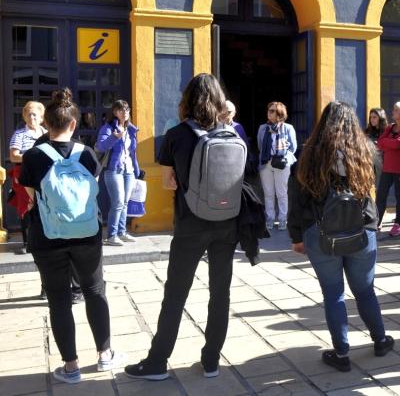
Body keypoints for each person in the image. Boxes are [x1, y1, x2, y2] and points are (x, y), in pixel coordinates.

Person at [125, 73, 241, 381]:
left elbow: (168, 182)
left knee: (176, 293)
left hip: (191, 223)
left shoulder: (176, 134)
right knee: (221, 293)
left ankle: (158, 361)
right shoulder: (232, 134)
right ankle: (212, 360)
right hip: (227, 224)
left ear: (186, 100)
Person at [19, 88, 125, 384]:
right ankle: (105, 355)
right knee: (94, 291)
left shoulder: (33, 157)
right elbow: (91, 191)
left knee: (59, 299)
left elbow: (31, 198)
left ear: (46, 124)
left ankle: (71, 367)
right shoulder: (87, 154)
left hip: (47, 235)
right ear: (74, 124)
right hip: (86, 234)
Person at [288, 101, 394, 372]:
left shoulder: (311, 154)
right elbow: (375, 187)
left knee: (333, 294)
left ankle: (342, 352)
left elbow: (296, 198)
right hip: (362, 229)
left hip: (320, 231)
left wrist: (296, 235)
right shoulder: (367, 150)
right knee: (365, 290)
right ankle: (380, 340)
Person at [96, 100, 140, 246]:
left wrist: (136, 169)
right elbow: (101, 147)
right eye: (121, 110)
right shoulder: (108, 128)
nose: (125, 112)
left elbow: (132, 152)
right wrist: (115, 137)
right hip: (113, 170)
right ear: (115, 112)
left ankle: (122, 232)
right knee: (118, 202)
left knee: (125, 203)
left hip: (128, 171)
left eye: (127, 110)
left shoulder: (131, 129)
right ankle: (111, 235)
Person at [8, 101, 46, 253]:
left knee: (43, 207)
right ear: (24, 117)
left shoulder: (46, 134)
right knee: (26, 208)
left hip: (44, 175)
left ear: (41, 117)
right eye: (28, 114)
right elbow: (13, 156)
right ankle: (27, 243)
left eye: (34, 114)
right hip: (25, 174)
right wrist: (32, 156)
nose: (31, 117)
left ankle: (43, 241)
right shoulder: (19, 134)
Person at [257, 102, 297, 231]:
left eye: (273, 111)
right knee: (268, 193)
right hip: (266, 163)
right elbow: (260, 145)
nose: (269, 112)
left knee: (281, 193)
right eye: (269, 110)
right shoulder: (263, 128)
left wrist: (283, 158)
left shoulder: (288, 128)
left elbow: (293, 147)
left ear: (280, 113)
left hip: (281, 163)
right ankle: (270, 218)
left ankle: (282, 219)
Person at [375, 101, 400, 237]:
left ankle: (398, 224)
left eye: (396, 110)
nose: (393, 111)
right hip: (387, 167)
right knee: (381, 195)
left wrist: (387, 144)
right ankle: (377, 222)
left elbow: (398, 144)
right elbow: (379, 143)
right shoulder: (390, 127)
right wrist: (389, 144)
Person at [365, 108, 388, 188]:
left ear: (380, 118)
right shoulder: (367, 131)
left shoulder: (387, 131)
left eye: (374, 117)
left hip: (382, 165)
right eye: (370, 117)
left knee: (380, 189)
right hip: (368, 164)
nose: (372, 119)